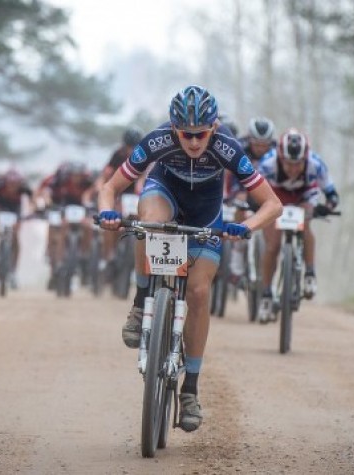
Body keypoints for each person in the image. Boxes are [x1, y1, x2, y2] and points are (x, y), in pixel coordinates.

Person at [96, 85, 282, 432]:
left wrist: (247, 227)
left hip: (206, 214)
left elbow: (272, 204)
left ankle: (190, 390)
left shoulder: (228, 146)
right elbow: (110, 187)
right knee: (148, 222)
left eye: (200, 134)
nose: (194, 142)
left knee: (198, 294)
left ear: (213, 128)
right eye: (186, 134)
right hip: (164, 194)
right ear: (173, 127)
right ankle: (140, 305)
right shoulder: (157, 140)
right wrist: (107, 213)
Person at [256, 128, 340, 321]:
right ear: (280, 158)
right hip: (276, 195)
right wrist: (255, 203)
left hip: (304, 194)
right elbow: (252, 186)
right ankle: (267, 295)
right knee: (272, 245)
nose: (293, 169)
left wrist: (326, 207)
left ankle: (310, 273)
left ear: (306, 159)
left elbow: (332, 194)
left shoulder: (316, 164)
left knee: (307, 223)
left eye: (298, 164)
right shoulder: (267, 163)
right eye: (288, 164)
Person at [224, 116, 277, 280]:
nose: (261, 148)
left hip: (265, 185)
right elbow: (227, 172)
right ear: (249, 138)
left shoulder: (277, 150)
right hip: (241, 183)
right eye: (257, 144)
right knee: (240, 201)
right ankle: (238, 249)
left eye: (264, 145)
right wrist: (228, 195)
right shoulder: (239, 146)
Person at [91, 127, 145, 271]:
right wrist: (100, 186)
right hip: (120, 192)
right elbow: (106, 174)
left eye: (134, 147)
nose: (131, 150)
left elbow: (144, 177)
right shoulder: (117, 155)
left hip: (136, 194)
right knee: (112, 220)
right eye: (128, 147)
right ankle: (110, 255)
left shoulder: (144, 155)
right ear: (124, 146)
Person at [36, 161, 96, 283]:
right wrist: (47, 204)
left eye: (79, 175)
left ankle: (85, 254)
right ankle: (58, 257)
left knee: (88, 226)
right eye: (74, 175)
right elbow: (46, 192)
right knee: (62, 226)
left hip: (81, 207)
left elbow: (93, 193)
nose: (76, 178)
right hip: (65, 206)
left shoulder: (88, 181)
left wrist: (92, 204)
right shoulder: (61, 181)